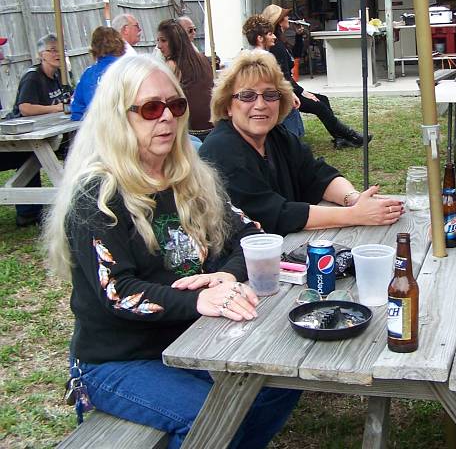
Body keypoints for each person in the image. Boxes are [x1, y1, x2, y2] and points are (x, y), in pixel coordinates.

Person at [44, 56, 300, 448]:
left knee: (280, 379)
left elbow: (249, 232)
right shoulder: (96, 195)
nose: (166, 117)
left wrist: (227, 275)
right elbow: (118, 292)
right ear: (119, 117)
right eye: (150, 108)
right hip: (118, 360)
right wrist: (199, 300)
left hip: (190, 340)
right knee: (211, 414)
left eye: (175, 106)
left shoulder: (189, 176)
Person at [199, 50, 403, 236]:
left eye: (270, 95)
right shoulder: (221, 150)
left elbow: (317, 175)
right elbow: (274, 214)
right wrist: (354, 215)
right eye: (247, 96)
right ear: (228, 106)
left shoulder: (276, 135)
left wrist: (353, 198)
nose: (260, 105)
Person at [263, 4, 368, 149]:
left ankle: (340, 138)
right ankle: (350, 136)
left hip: (288, 89)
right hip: (285, 93)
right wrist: (302, 92)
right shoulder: (276, 46)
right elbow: (283, 77)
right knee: (319, 105)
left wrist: (299, 36)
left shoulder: (280, 42)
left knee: (322, 99)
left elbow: (295, 56)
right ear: (280, 21)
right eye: (285, 16)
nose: (288, 18)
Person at [4, 33, 69, 226]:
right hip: (20, 138)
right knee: (33, 155)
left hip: (48, 132)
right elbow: (25, 108)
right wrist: (55, 108)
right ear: (41, 54)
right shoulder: (32, 77)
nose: (57, 54)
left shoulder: (59, 76)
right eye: (52, 50)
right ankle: (29, 212)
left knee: (71, 145)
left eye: (60, 50)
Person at [241, 13, 305, 138]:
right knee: (291, 129)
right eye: (270, 34)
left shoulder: (249, 55)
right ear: (260, 38)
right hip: (270, 100)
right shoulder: (265, 57)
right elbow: (275, 82)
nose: (274, 37)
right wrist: (290, 95)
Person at [156, 19, 214, 140]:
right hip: (213, 126)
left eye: (163, 40)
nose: (159, 46)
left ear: (175, 41)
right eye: (158, 40)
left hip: (191, 132)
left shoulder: (173, 65)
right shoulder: (202, 58)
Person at [70, 26, 125, 121]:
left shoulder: (88, 74)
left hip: (97, 126)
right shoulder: (129, 69)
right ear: (120, 45)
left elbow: (77, 111)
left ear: (94, 48)